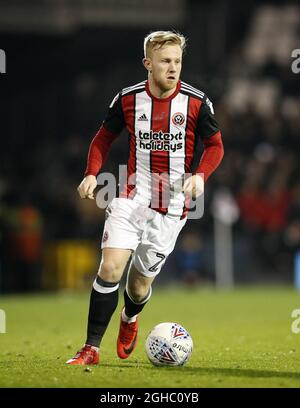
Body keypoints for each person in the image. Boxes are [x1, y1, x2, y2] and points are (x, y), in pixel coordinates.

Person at [66, 30, 224, 365]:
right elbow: (102, 138)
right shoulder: (128, 99)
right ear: (147, 64)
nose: (173, 68)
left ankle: (130, 318)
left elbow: (216, 146)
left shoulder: (197, 102)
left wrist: (200, 175)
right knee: (110, 267)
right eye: (166, 61)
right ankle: (91, 347)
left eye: (177, 61)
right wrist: (92, 173)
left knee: (137, 288)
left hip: (173, 206)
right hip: (131, 194)